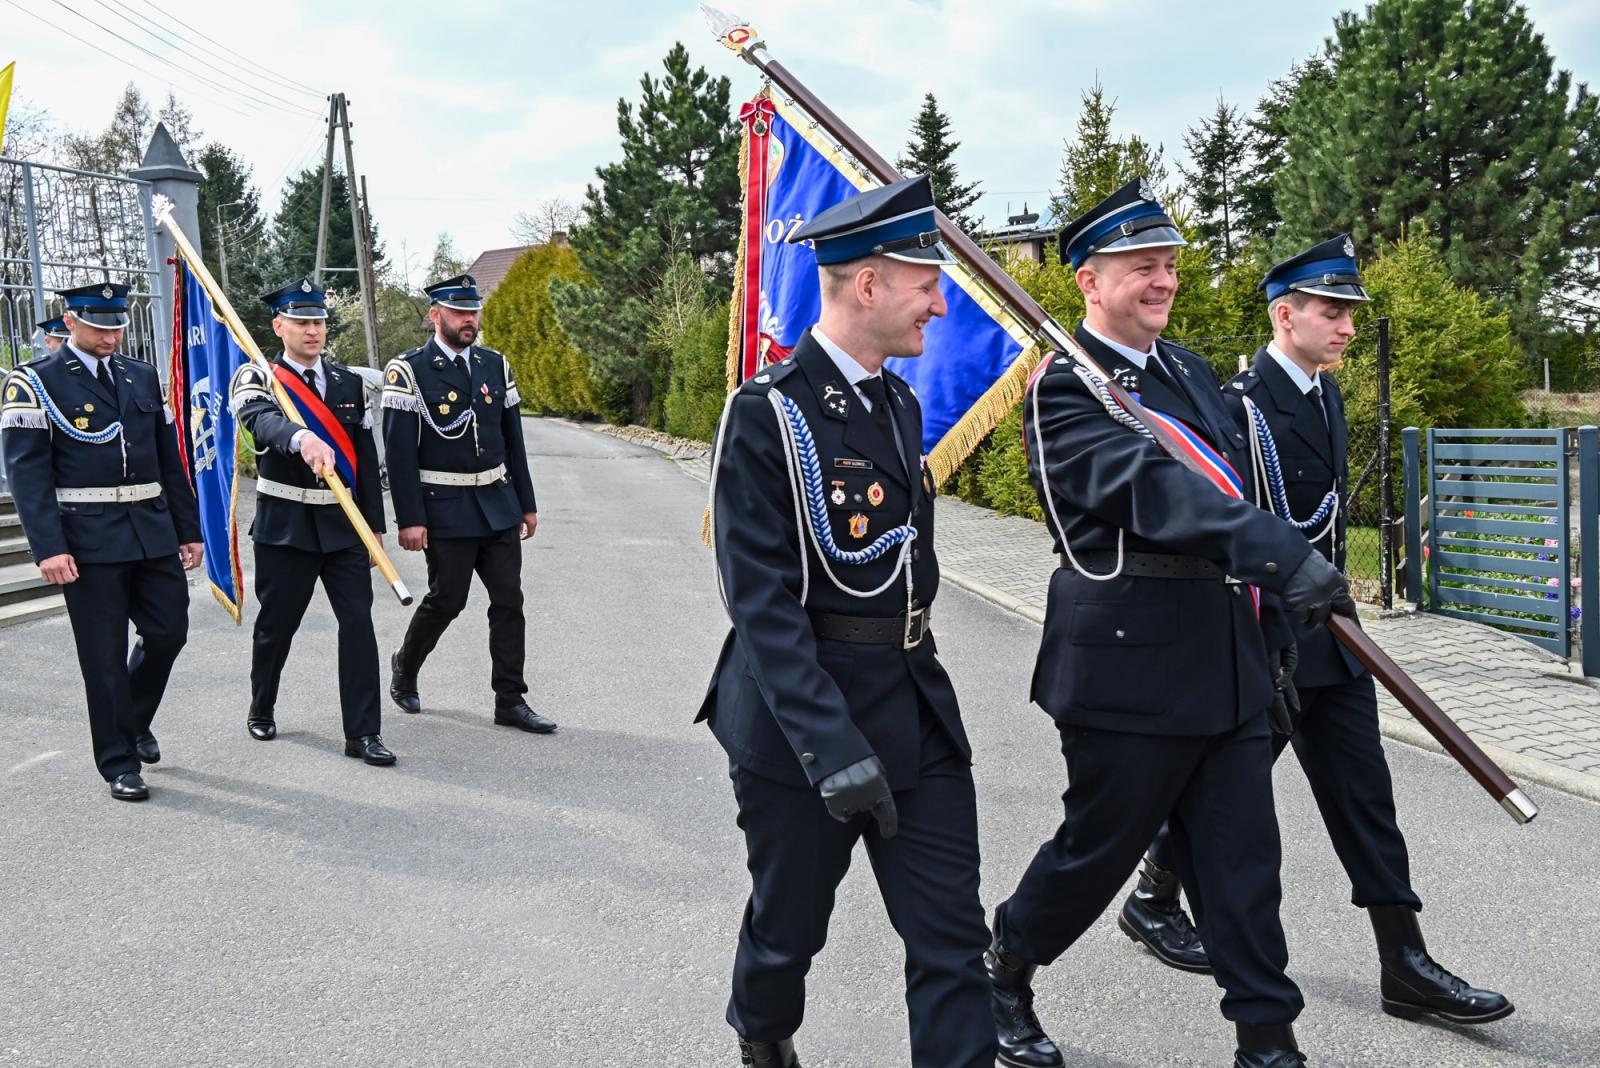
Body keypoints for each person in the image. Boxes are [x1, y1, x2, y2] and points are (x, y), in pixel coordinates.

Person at [985, 178, 1352, 1068]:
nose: (1162, 280)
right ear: (1087, 281)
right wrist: (1280, 552)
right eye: (1141, 265)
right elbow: (1158, 493)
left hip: (1223, 659)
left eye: (1170, 265)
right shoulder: (1063, 388)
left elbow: (1237, 488)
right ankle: (1001, 973)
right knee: (1094, 853)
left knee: (1243, 867)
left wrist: (1271, 638)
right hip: (1128, 669)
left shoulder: (1185, 371)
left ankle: (1269, 1043)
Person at [699, 175, 995, 1068]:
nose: (940, 306)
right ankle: (762, 1032)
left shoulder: (897, 402)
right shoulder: (768, 413)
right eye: (924, 284)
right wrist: (834, 750)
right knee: (789, 930)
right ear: (867, 285)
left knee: (951, 941)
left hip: (912, 709)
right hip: (802, 726)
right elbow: (761, 605)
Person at [1179, 235, 1505, 1023]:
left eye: (1352, 314)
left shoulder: (1325, 395)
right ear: (1284, 314)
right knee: (1226, 794)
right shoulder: (1238, 404)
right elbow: (1229, 527)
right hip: (1267, 641)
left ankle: (1406, 963)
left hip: (1334, 636)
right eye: (1333, 313)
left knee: (1367, 801)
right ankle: (1155, 893)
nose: (1349, 328)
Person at [1, 283, 202, 801]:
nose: (111, 336)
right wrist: (47, 547)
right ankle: (118, 761)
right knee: (102, 655)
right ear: (70, 322)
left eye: (117, 326)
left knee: (167, 634)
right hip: (86, 537)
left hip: (151, 529)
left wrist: (188, 529)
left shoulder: (141, 375)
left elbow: (169, 459)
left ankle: (131, 720)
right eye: (99, 326)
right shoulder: (35, 383)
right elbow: (28, 475)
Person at [230, 277, 393, 766]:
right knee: (278, 626)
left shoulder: (348, 383)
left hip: (344, 528)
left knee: (359, 625)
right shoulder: (257, 377)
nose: (313, 330)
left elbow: (364, 457)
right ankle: (262, 705)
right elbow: (260, 420)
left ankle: (363, 733)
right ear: (279, 326)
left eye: (319, 321)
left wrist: (374, 529)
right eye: (302, 321)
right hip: (287, 527)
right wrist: (301, 438)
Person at [381, 274, 551, 734]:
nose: (469, 320)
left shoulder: (496, 365)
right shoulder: (410, 370)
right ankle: (406, 665)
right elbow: (399, 454)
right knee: (447, 600)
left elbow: (514, 442)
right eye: (458, 313)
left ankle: (510, 700)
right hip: (445, 505)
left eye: (473, 312)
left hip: (497, 503)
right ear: (435, 316)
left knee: (508, 602)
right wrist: (411, 519)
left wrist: (527, 504)